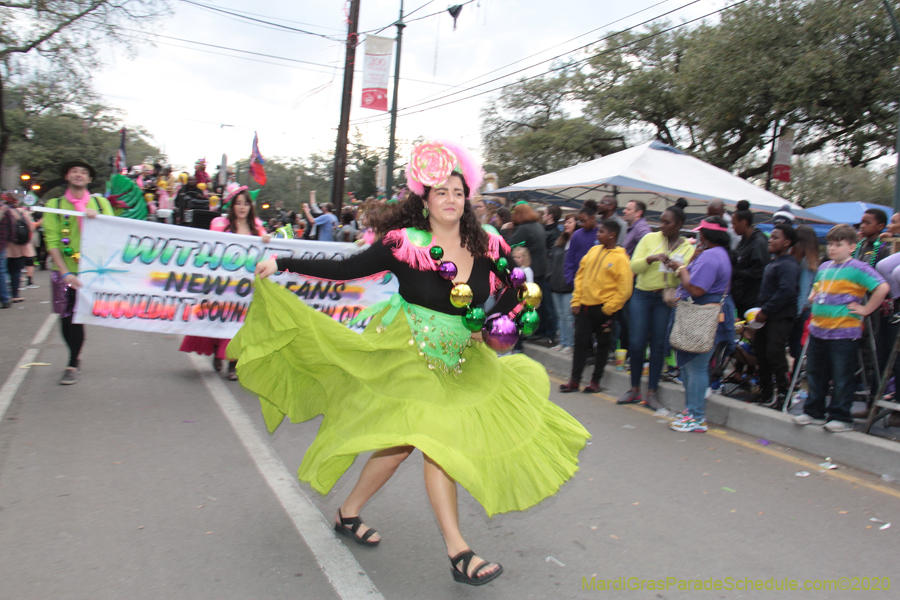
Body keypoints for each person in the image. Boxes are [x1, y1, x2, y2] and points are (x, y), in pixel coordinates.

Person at [232, 140, 589, 586]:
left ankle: (348, 512)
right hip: (408, 354)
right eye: (441, 192)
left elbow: (518, 293)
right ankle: (459, 551)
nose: (451, 200)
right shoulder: (404, 244)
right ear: (424, 198)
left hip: (462, 360)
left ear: (468, 198)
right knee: (435, 442)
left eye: (458, 192)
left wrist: (497, 322)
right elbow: (348, 268)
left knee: (401, 447)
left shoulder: (489, 244)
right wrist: (282, 261)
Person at [792, 224, 889, 433]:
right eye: (830, 244)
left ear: (852, 247)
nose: (832, 248)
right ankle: (814, 412)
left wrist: (866, 309)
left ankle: (841, 416)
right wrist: (813, 295)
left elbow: (882, 286)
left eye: (839, 244)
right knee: (815, 372)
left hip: (844, 332)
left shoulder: (859, 268)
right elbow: (818, 286)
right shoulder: (825, 267)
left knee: (842, 374)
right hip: (819, 329)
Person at [179, 187, 270, 380]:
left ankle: (233, 363)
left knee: (240, 324)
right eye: (238, 203)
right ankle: (215, 349)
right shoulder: (220, 225)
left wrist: (267, 241)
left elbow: (269, 254)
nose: (242, 207)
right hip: (221, 286)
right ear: (232, 205)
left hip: (245, 288)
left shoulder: (258, 229)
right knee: (219, 320)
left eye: (246, 203)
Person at [42, 160, 115, 384]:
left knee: (83, 316)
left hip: (94, 271)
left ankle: (73, 361)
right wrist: (65, 273)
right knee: (66, 319)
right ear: (67, 176)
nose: (79, 175)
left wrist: (99, 219)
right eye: (74, 171)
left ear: (90, 179)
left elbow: (113, 232)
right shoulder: (54, 205)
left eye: (84, 172)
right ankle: (73, 359)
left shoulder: (101, 204)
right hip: (65, 272)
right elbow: (52, 241)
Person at [618, 205, 694, 408]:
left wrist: (677, 268)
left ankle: (652, 393)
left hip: (665, 299)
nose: (662, 226)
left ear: (679, 224)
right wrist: (651, 258)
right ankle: (634, 389)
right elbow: (633, 266)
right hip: (642, 295)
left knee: (659, 346)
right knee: (636, 343)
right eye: (661, 221)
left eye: (667, 222)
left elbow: (688, 277)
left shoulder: (687, 248)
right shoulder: (649, 239)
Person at [665, 216, 734, 433]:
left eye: (700, 232)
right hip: (708, 315)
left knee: (695, 367)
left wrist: (680, 269)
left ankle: (696, 416)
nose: (698, 236)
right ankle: (691, 412)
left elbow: (696, 289)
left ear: (706, 234)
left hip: (701, 317)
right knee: (692, 366)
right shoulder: (718, 254)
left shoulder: (711, 256)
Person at [560, 219, 633, 393]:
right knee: (580, 344)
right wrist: (576, 300)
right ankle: (574, 380)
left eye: (601, 232)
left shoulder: (621, 259)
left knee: (602, 347)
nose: (597, 234)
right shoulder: (593, 251)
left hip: (604, 309)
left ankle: (595, 382)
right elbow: (580, 276)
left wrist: (608, 309)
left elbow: (624, 290)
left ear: (611, 235)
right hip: (584, 306)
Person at [751, 224, 800, 409]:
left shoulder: (788, 264)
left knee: (775, 353)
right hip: (765, 316)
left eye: (775, 237)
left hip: (780, 317)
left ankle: (783, 396)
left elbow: (786, 291)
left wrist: (766, 310)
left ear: (786, 242)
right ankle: (765, 393)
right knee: (761, 353)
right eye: (770, 237)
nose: (770, 240)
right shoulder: (774, 262)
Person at [501, 202, 554, 341]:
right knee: (540, 304)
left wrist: (504, 231)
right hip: (542, 269)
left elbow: (509, 246)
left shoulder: (524, 229)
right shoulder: (537, 225)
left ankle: (532, 330)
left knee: (529, 304)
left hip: (531, 270)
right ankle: (545, 331)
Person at [731, 205, 770, 319]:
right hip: (741, 296)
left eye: (734, 224)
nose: (732, 228)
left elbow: (759, 270)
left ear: (743, 223)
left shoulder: (758, 242)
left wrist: (737, 273)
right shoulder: (743, 241)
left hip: (752, 298)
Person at [789, 225, 820, 364]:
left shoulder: (806, 262)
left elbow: (803, 291)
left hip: (802, 311)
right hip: (803, 310)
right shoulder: (807, 261)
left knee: (796, 347)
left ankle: (794, 379)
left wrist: (795, 314)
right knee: (795, 346)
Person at [549, 214, 577, 354]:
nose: (566, 225)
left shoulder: (577, 244)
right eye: (565, 222)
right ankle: (562, 341)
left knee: (567, 315)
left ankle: (570, 344)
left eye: (570, 222)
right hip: (556, 284)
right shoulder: (560, 242)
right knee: (560, 315)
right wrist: (550, 276)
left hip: (569, 286)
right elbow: (551, 260)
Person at [2, 194, 37, 303]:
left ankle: (5, 293)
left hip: (6, 245)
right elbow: (30, 227)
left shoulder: (5, 211)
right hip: (19, 246)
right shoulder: (22, 212)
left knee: (4, 271)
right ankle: (15, 295)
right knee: (16, 271)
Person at [0, 200, 13, 309]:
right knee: (1, 271)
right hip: (2, 244)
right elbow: (12, 227)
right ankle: (5, 298)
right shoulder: (6, 209)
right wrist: (8, 242)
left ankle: (5, 298)